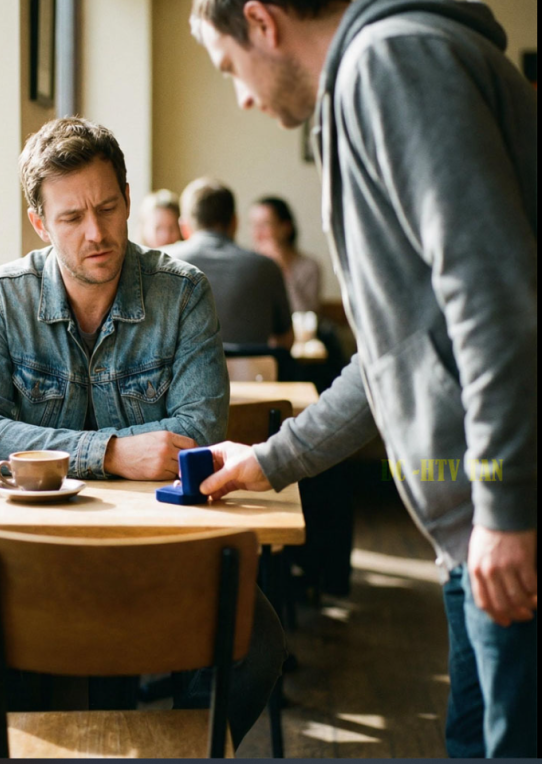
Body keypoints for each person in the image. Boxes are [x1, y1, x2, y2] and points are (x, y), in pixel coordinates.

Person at [190, 0, 537, 758]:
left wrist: (507, 509)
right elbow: (390, 357)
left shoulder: (389, 63)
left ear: (262, 21)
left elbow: (493, 298)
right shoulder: (379, 72)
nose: (242, 96)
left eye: (229, 68)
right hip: (476, 527)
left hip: (508, 517)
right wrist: (267, 461)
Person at [0, 117, 286, 751]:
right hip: (26, 565)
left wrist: (56, 451)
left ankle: (189, 747)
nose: (96, 233)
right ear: (40, 223)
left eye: (109, 208)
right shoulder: (1, 299)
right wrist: (114, 453)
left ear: (127, 197)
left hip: (168, 560)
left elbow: (198, 428)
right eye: (71, 218)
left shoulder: (183, 293)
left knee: (257, 644)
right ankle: (46, 741)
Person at [167, 177, 293, 349]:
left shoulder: (159, 262)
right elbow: (286, 340)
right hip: (253, 375)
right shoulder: (267, 267)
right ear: (234, 222)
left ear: (184, 227)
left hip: (181, 376)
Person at [249, 196, 321, 314]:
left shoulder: (309, 267)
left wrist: (283, 269)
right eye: (254, 225)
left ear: (285, 228)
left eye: (265, 225)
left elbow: (304, 315)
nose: (257, 233)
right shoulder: (247, 266)